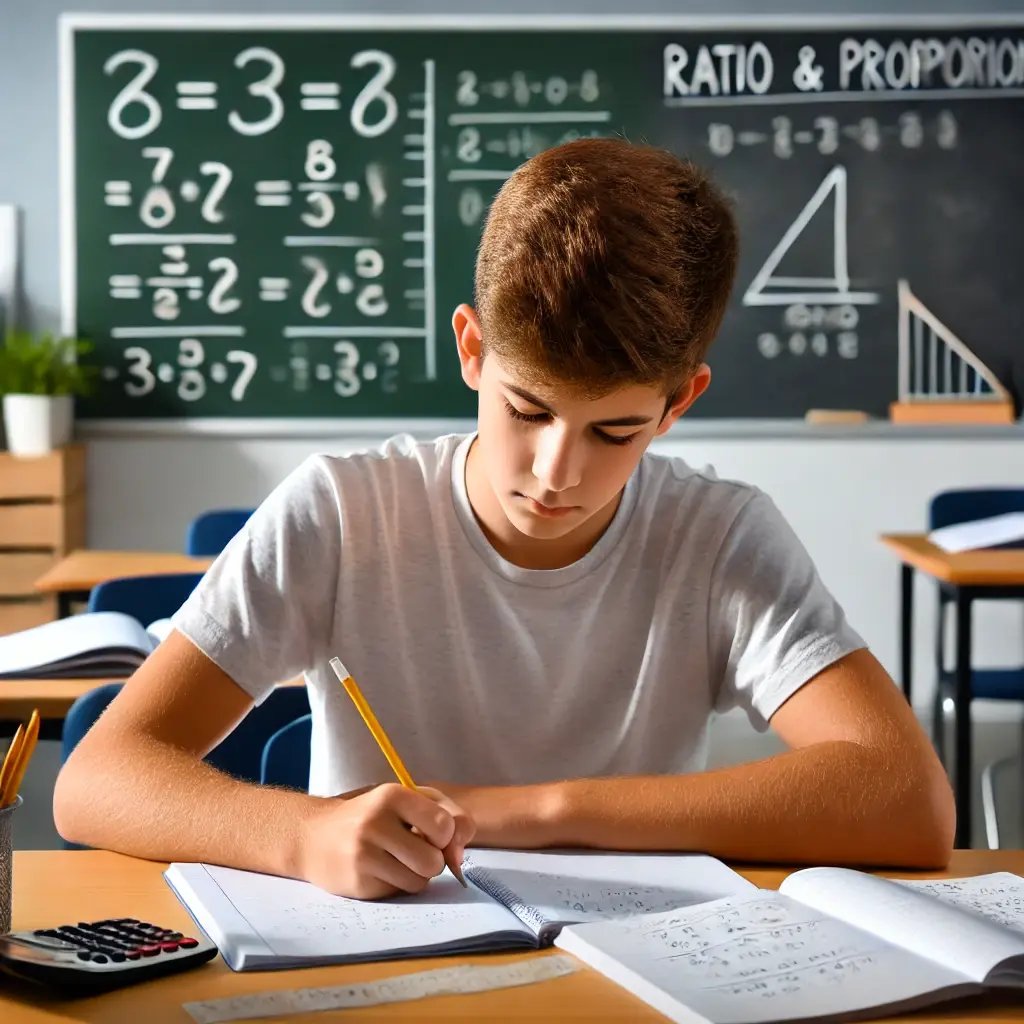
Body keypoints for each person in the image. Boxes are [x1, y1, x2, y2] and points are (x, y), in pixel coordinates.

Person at [54, 139, 954, 899]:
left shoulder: (717, 535)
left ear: (679, 404)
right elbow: (95, 779)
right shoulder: (344, 510)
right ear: (473, 350)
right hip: (388, 967)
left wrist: (525, 812)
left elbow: (909, 803)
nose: (558, 472)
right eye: (528, 411)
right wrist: (305, 836)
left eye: (616, 429)